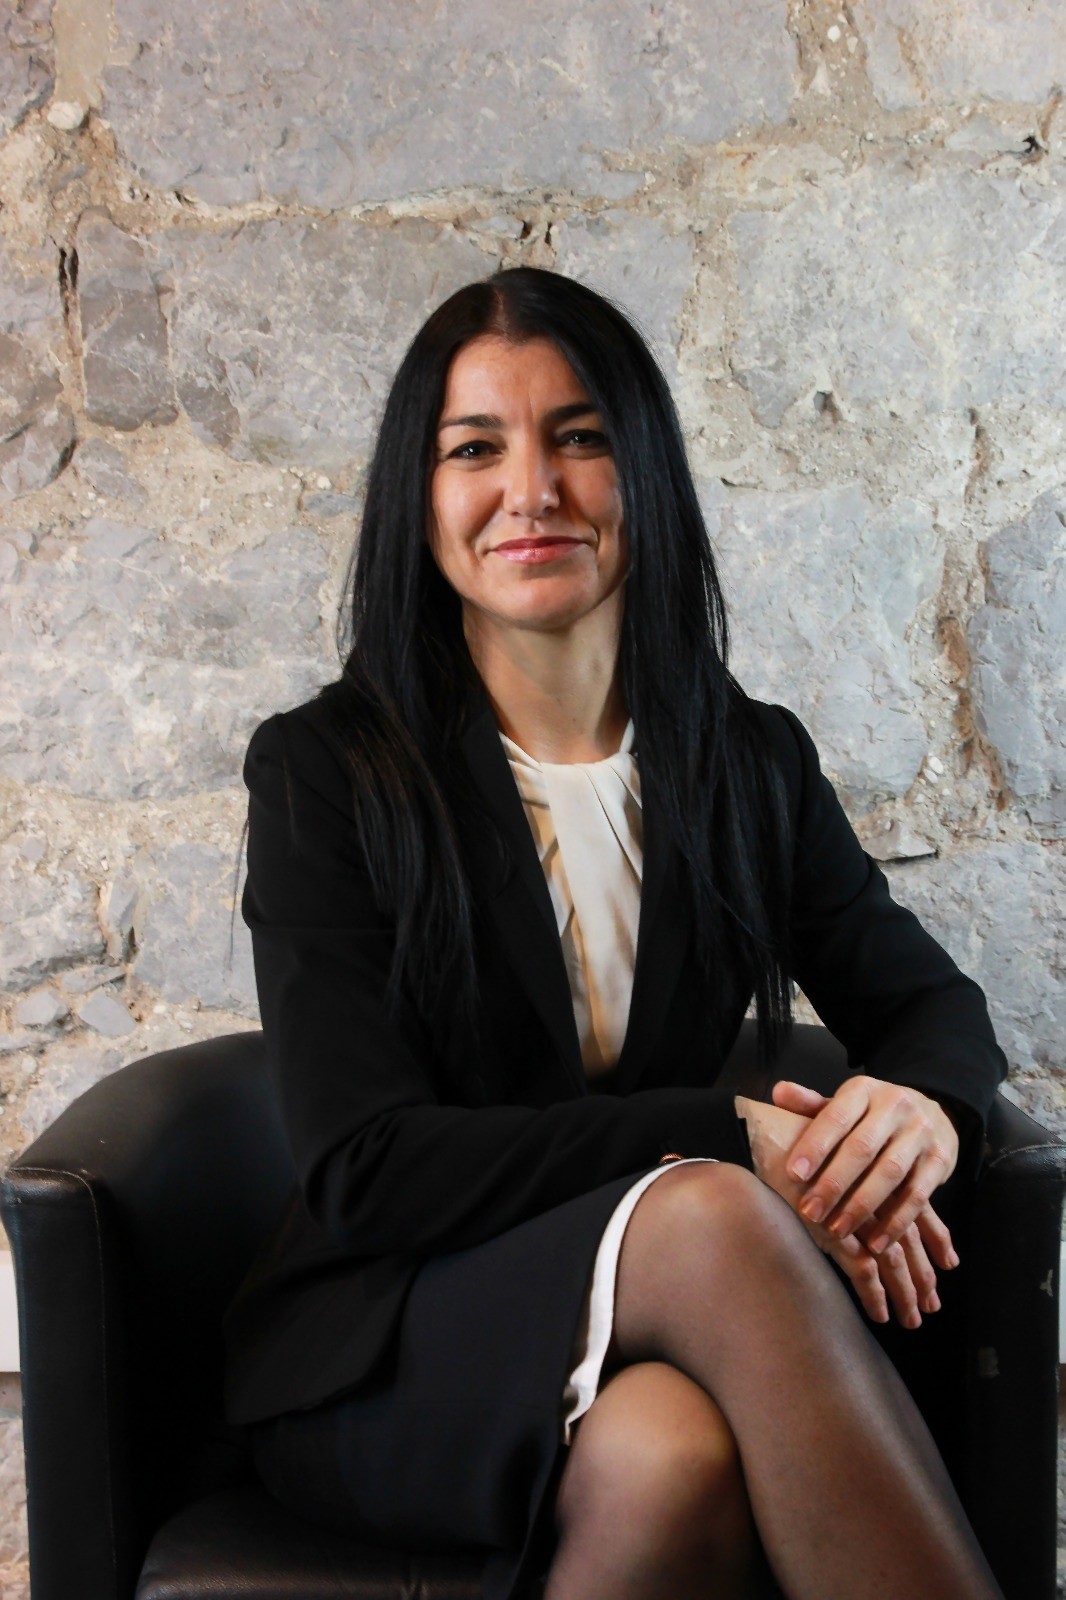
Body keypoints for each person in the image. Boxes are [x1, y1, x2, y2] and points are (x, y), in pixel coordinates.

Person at [225, 265, 1009, 1600]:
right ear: (418, 498)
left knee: (675, 1458)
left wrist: (922, 1110)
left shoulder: (744, 760)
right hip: (394, 1336)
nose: (531, 490)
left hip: (661, 1339)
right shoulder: (327, 771)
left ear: (643, 474)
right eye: (475, 449)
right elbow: (364, 1168)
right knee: (712, 1212)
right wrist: (720, 1139)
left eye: (578, 438)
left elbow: (930, 1007)